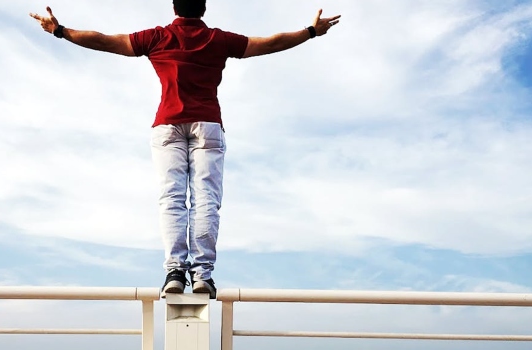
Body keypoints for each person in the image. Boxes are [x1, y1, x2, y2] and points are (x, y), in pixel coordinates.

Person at [30, 0, 340, 298]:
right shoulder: (218, 40)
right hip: (207, 125)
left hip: (167, 125)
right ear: (203, 8)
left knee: (172, 198)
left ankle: (175, 272)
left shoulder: (158, 37)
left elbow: (106, 41)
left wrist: (61, 31)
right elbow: (270, 43)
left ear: (174, 7)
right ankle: (202, 275)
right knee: (206, 198)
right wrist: (310, 32)